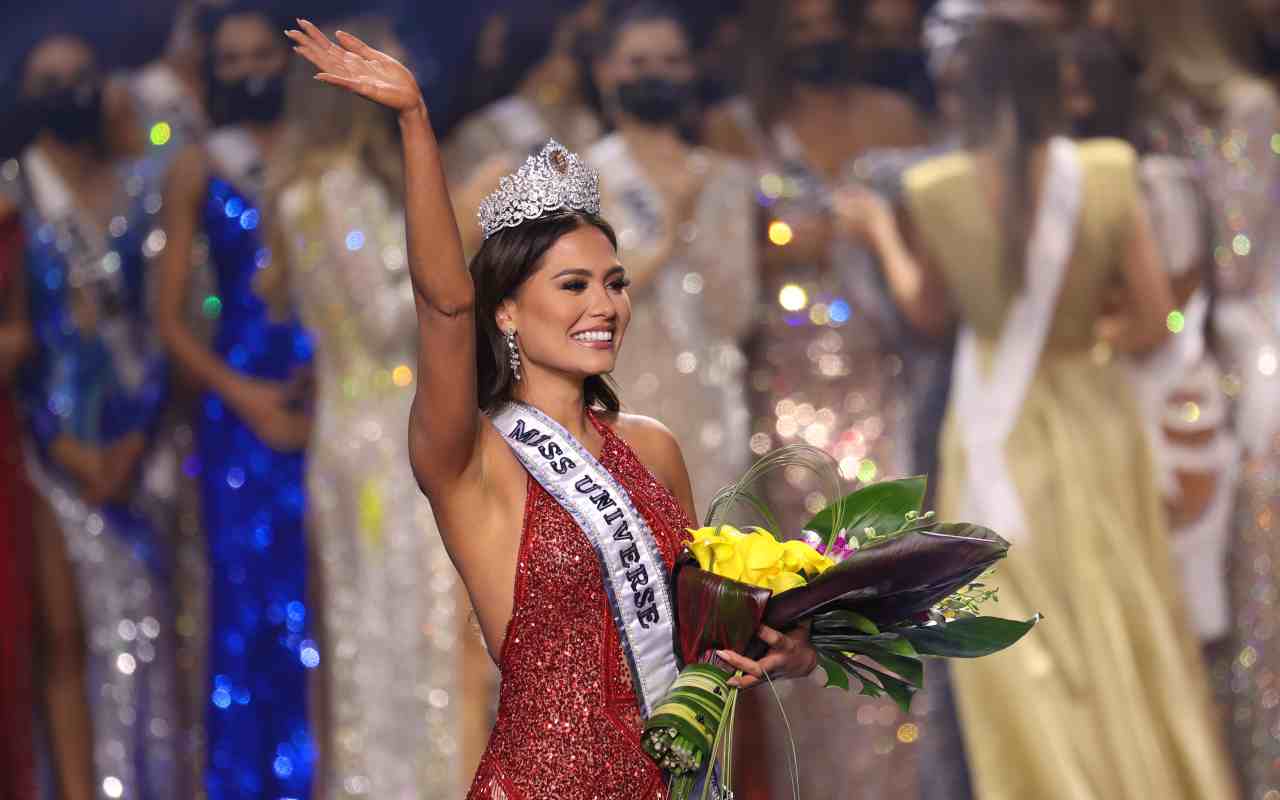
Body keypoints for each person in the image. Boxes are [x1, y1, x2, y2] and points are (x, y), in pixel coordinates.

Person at [286, 19, 818, 799]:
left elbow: (700, 642)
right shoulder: (472, 458)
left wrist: (789, 649)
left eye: (614, 283)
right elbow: (442, 305)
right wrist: (415, 122)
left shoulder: (654, 448)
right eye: (573, 286)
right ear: (505, 309)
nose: (604, 305)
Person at [841, 18, 1238, 798]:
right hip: (1095, 418)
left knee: (1016, 640)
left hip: (992, 431)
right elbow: (1154, 323)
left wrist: (881, 233)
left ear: (966, 91)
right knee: (1120, 618)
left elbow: (928, 316)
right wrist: (1083, 337)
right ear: (1058, 86)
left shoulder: (935, 190)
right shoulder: (1109, 170)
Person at [268, 15, 479, 797]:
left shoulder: (313, 189)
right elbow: (390, 317)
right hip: (388, 435)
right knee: (404, 625)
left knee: (382, 625)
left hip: (355, 426)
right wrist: (464, 220)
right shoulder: (336, 190)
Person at [13, 31, 182, 799]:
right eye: (50, 79)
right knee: (68, 636)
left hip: (144, 448)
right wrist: (61, 446)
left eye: (81, 75)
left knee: (154, 632)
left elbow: (174, 318)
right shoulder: (15, 197)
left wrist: (138, 436)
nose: (69, 91)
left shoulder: (145, 189)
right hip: (50, 458)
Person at [156, 5, 315, 798]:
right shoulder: (197, 166)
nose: (250, 69)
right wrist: (243, 396)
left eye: (263, 53)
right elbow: (167, 320)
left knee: (318, 599)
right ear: (212, 72)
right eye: (233, 58)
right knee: (246, 605)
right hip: (239, 406)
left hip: (322, 394)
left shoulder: (320, 154)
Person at [586, 2, 757, 514]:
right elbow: (583, 301)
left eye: (671, 61)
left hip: (711, 406)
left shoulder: (727, 180)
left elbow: (738, 311)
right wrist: (670, 233)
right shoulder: (584, 176)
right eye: (638, 63)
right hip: (618, 402)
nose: (655, 75)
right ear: (606, 71)